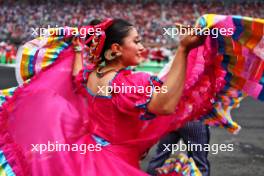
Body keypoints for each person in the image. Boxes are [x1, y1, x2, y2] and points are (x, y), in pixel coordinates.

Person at [0, 18, 205, 176]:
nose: (142, 47)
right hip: (114, 162)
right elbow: (165, 105)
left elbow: (76, 75)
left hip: (85, 154)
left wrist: (79, 50)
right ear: (115, 49)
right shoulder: (128, 83)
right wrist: (183, 49)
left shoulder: (91, 76)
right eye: (136, 41)